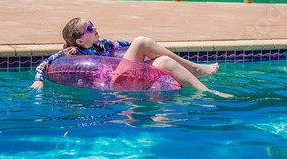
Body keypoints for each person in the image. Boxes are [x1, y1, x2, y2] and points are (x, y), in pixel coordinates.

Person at [30, 17, 220, 92]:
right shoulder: (73, 52)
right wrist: (38, 81)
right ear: (80, 40)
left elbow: (126, 46)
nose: (94, 27)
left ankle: (207, 92)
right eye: (89, 28)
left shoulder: (104, 45)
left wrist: (151, 55)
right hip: (113, 83)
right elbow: (45, 63)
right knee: (141, 42)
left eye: (92, 22)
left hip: (124, 80)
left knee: (163, 61)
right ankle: (195, 67)